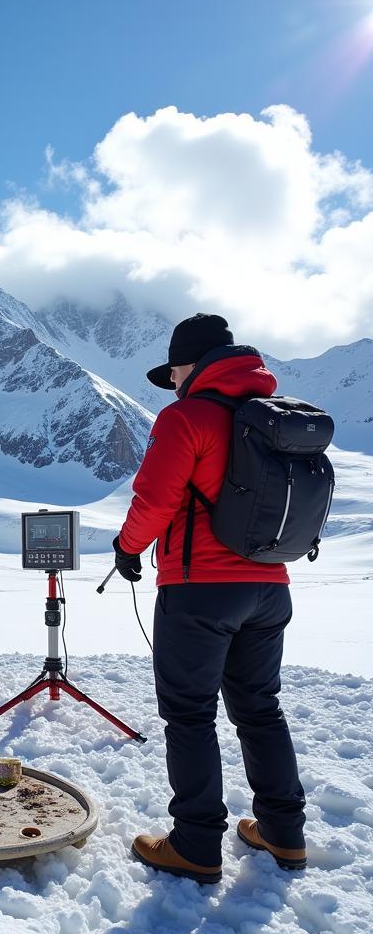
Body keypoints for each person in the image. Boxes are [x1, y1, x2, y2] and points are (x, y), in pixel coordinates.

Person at [114, 313, 306, 883]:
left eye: (173, 372)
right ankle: (283, 832)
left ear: (190, 366)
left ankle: (196, 844)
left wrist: (127, 548)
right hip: (270, 589)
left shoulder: (186, 418)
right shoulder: (273, 418)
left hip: (200, 591)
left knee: (190, 715)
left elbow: (154, 499)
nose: (171, 383)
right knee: (259, 709)